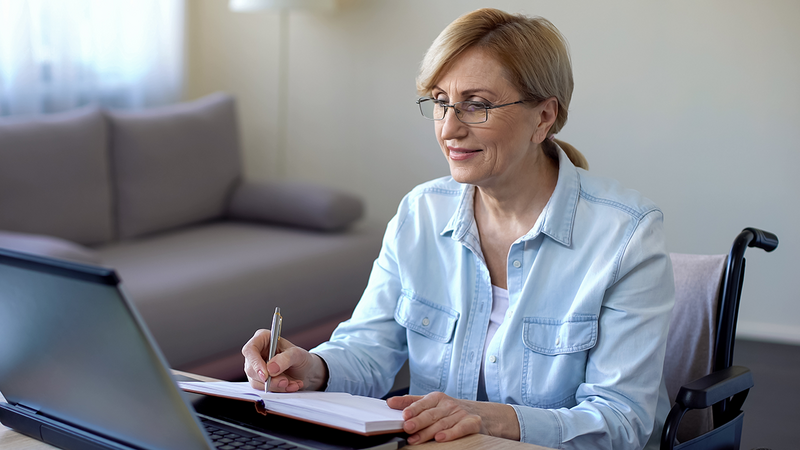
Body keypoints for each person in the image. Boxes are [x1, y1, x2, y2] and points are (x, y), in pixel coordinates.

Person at [242, 8, 674, 450]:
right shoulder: (421, 212)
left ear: (543, 117)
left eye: (477, 105)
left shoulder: (627, 234)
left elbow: (622, 423)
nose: (449, 128)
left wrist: (494, 420)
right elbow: (370, 347)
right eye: (440, 101)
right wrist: (313, 369)